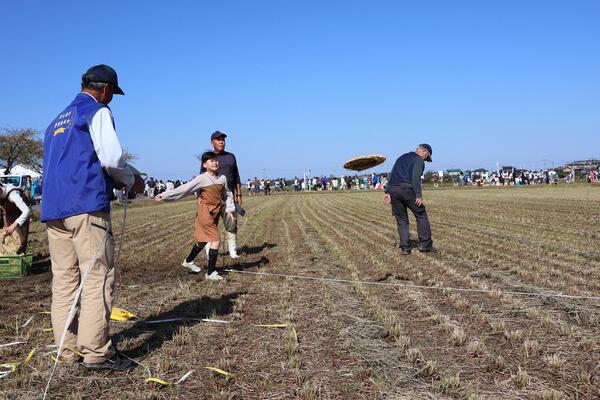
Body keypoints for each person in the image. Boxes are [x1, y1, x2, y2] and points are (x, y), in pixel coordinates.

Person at [41, 65, 144, 371]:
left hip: (54, 210)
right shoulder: (97, 111)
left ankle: (66, 349)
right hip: (85, 205)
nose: (111, 98)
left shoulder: (55, 122)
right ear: (105, 89)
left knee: (64, 281)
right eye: (112, 93)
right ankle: (96, 352)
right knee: (98, 275)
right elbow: (110, 158)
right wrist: (129, 179)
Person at [156, 151, 235, 281]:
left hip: (216, 211)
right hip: (205, 211)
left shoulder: (222, 178)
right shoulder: (202, 178)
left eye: (216, 160)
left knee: (203, 240)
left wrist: (230, 209)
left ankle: (188, 261)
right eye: (211, 161)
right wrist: (164, 195)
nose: (215, 162)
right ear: (204, 165)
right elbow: (184, 189)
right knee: (215, 239)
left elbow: (228, 193)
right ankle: (211, 273)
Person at [384, 144, 434, 255]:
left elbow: (392, 175)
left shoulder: (401, 158)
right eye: (427, 157)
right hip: (406, 189)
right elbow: (415, 177)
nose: (425, 160)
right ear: (424, 151)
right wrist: (418, 195)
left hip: (394, 190)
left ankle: (405, 248)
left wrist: (388, 192)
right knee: (421, 214)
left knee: (402, 220)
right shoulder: (418, 159)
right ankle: (425, 244)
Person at [203, 131, 242, 259]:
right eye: (218, 140)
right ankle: (209, 252)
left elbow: (236, 176)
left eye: (223, 139)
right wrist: (200, 197)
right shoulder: (208, 158)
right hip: (212, 198)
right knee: (210, 225)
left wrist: (239, 194)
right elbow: (202, 179)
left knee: (232, 224)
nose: (221, 142)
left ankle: (233, 251)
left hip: (229, 198)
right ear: (212, 142)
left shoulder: (231, 157)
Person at [0, 182, 32, 254]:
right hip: (8, 214)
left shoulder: (13, 194)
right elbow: (3, 209)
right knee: (5, 240)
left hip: (21, 215)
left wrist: (14, 225)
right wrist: (5, 225)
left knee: (20, 242)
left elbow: (26, 211)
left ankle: (19, 261)